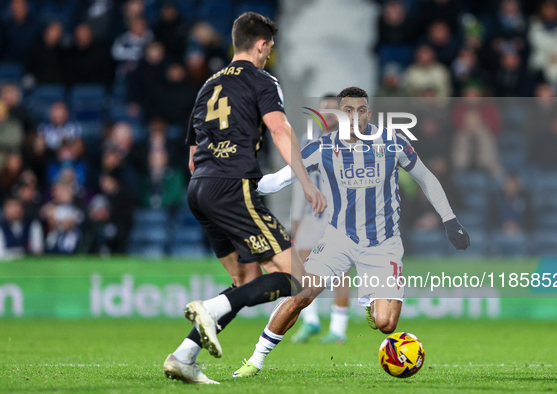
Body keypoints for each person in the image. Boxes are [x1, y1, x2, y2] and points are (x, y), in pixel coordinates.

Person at [232, 87, 470, 378]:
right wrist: (241, 182)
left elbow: (426, 178)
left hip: (384, 244)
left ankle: (372, 301)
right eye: (347, 110)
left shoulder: (392, 142)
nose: (354, 116)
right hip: (338, 239)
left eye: (360, 110)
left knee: (386, 324)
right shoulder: (322, 147)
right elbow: (279, 180)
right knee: (301, 295)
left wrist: (450, 220)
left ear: (368, 114)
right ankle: (254, 361)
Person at [162, 12, 326, 385]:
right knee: (299, 280)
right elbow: (280, 128)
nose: (269, 54)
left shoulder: (208, 86)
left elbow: (191, 154)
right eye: (269, 47)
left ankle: (184, 356)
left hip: (200, 188)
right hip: (232, 185)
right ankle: (209, 308)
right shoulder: (262, 80)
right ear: (262, 44)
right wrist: (306, 181)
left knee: (245, 278)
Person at [289, 95, 351, 344]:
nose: (326, 114)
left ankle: (339, 328)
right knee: (300, 266)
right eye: (323, 109)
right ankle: (311, 320)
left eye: (331, 110)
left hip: (340, 216)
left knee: (340, 273)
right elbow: (298, 179)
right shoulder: (307, 139)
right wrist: (295, 218)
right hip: (313, 215)